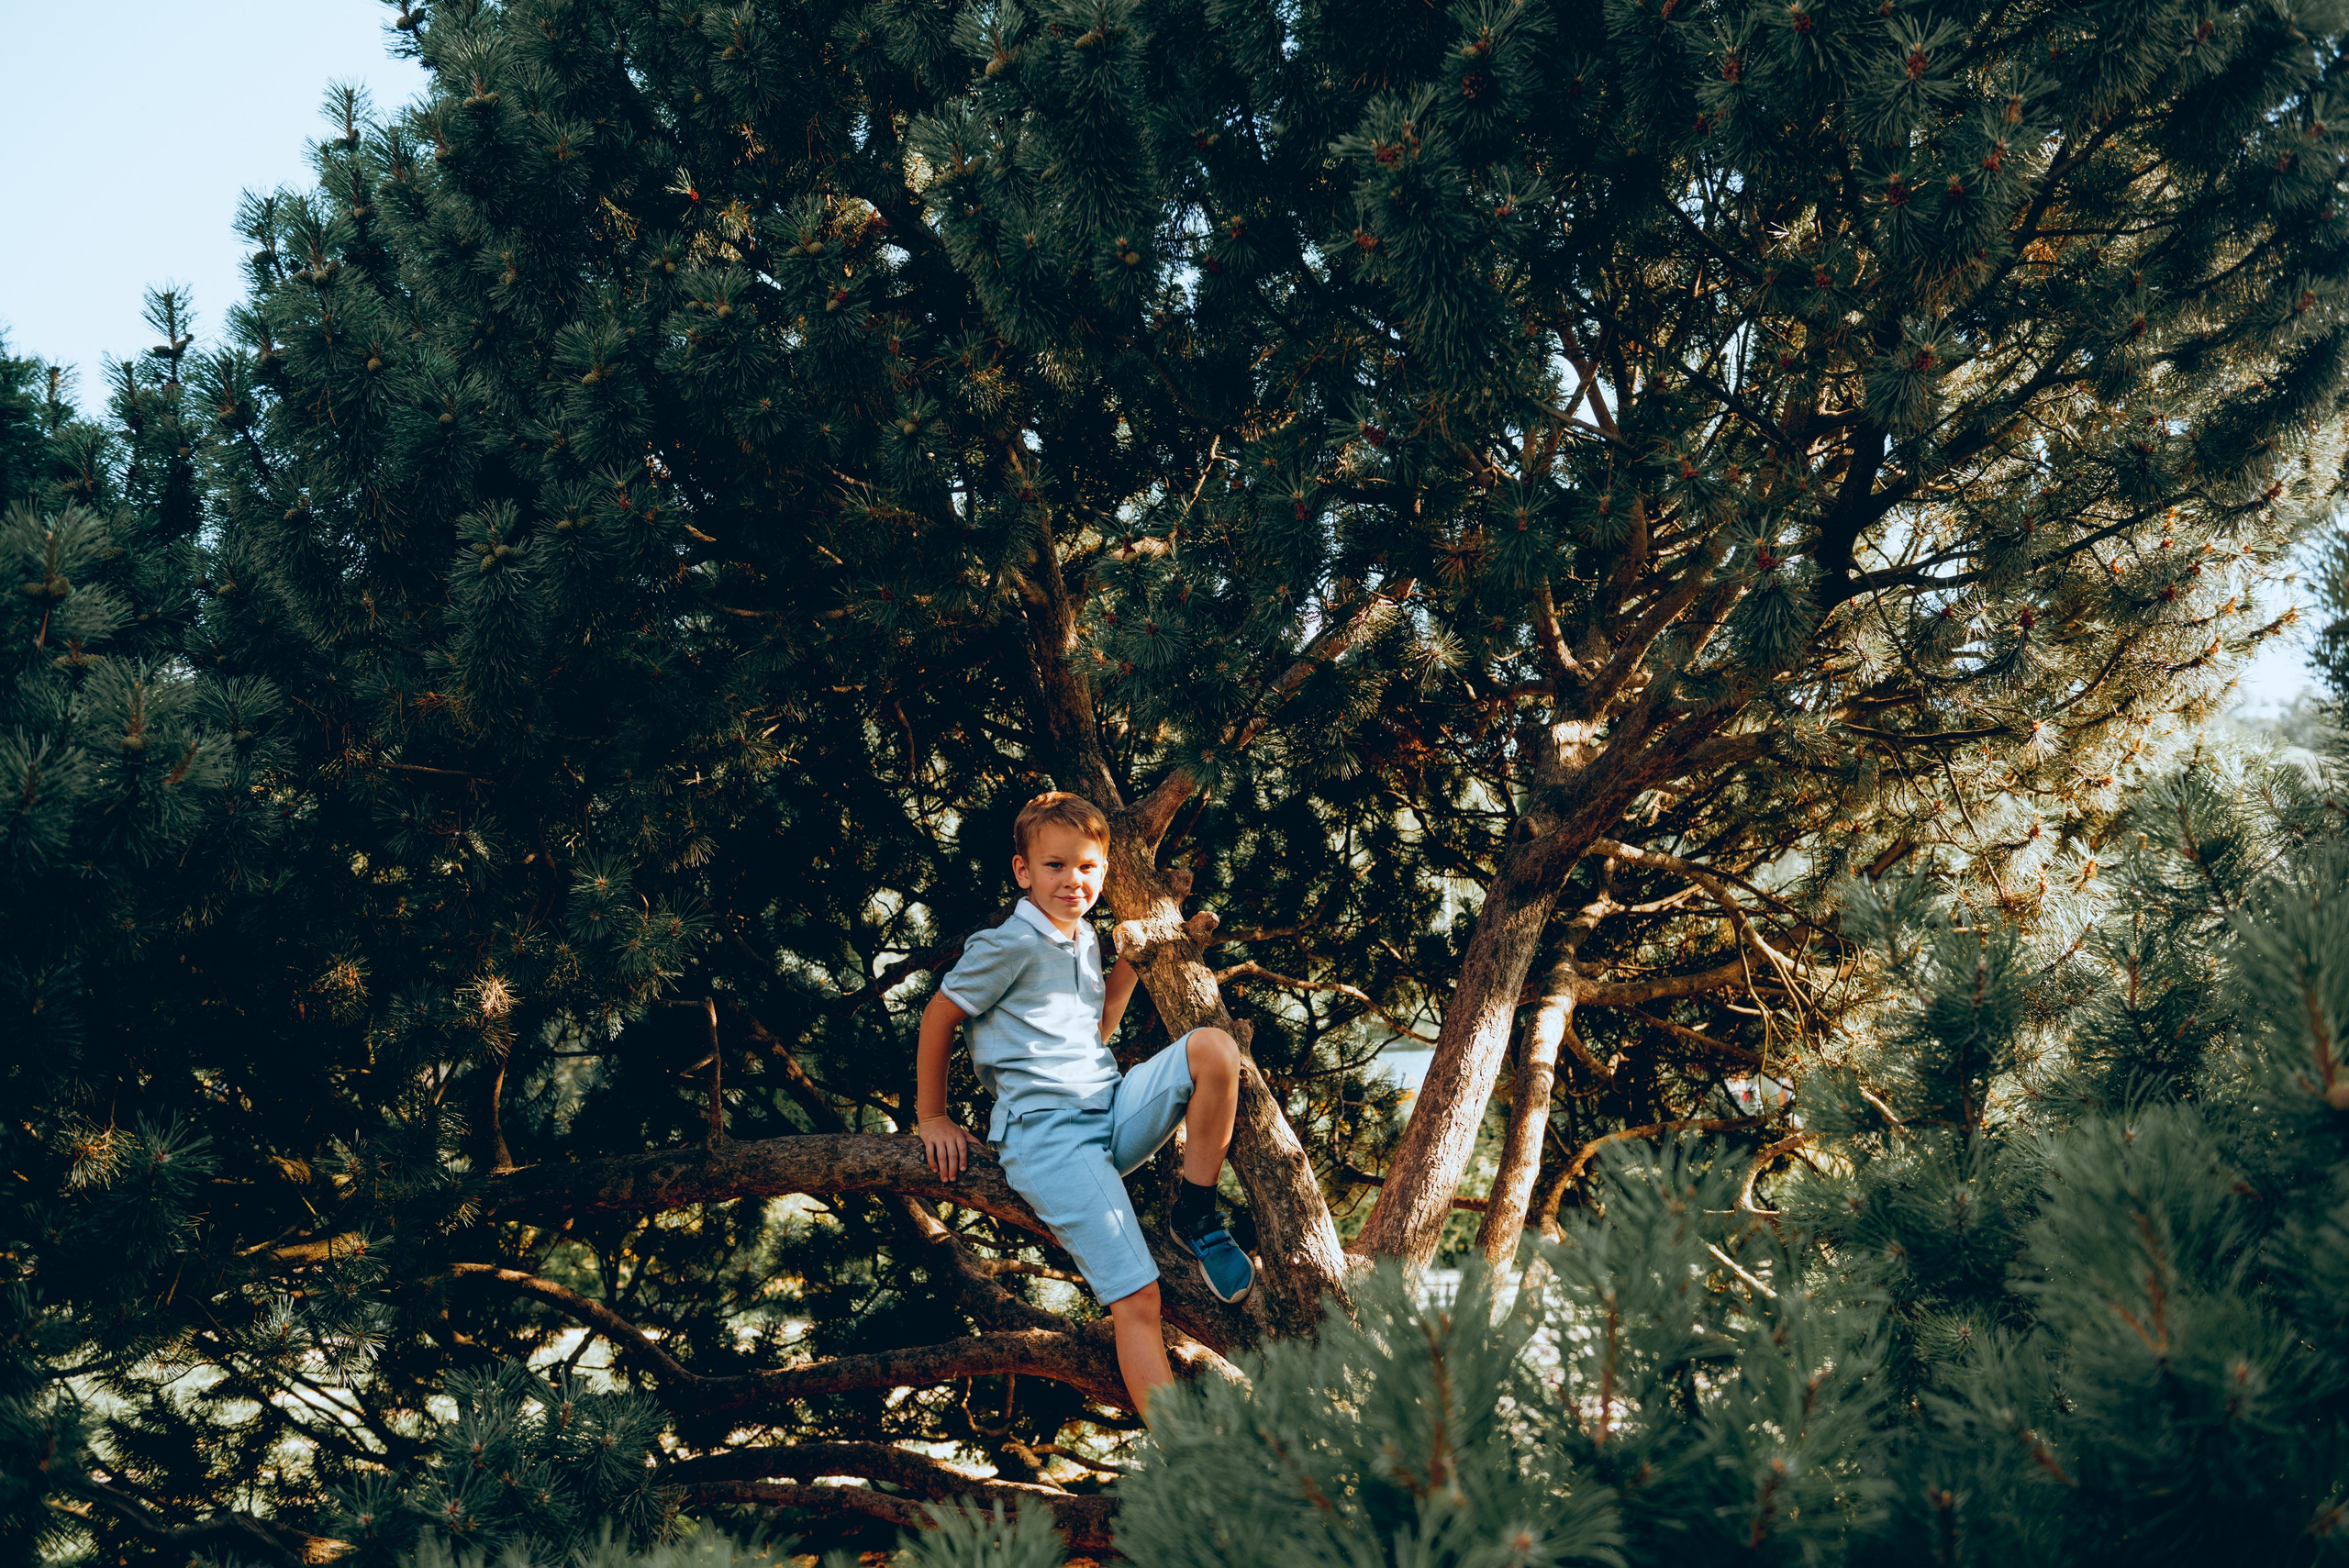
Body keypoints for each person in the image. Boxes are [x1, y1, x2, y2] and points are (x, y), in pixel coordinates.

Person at [914, 790, 1254, 1421]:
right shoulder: (1006, 944)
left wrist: (1125, 966)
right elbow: (939, 1015)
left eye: (1088, 866)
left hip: (1107, 1108)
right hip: (1050, 1142)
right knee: (1139, 1296)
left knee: (1215, 1050)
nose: (1074, 879)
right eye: (1055, 865)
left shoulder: (1080, 938)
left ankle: (1196, 1216)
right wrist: (931, 1116)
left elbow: (1096, 1029)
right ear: (1023, 871)